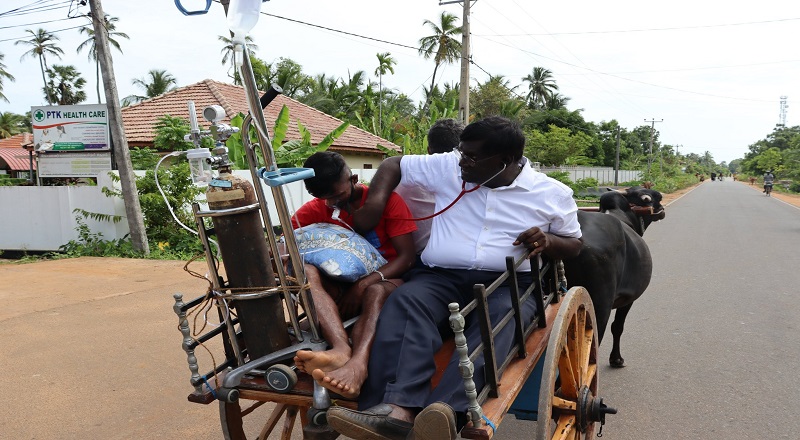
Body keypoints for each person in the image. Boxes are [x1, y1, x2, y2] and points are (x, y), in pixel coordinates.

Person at [326, 116, 583, 440]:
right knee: (406, 302)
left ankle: (446, 413)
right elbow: (393, 165)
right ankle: (396, 411)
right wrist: (375, 202)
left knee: (500, 319)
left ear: (504, 161)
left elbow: (574, 244)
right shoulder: (452, 165)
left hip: (507, 282)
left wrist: (549, 241)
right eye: (462, 152)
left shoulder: (552, 193)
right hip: (439, 276)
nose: (462, 161)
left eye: (472, 157)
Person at [290, 151, 417, 399]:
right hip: (341, 289)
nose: (333, 204)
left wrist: (362, 285)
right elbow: (282, 246)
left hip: (389, 280)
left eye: (338, 195)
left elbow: (407, 258)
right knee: (305, 270)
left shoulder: (387, 201)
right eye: (325, 198)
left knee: (374, 291)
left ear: (353, 178)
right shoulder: (316, 209)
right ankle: (340, 349)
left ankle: (358, 365)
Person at [394, 118, 464, 253]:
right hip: (452, 257)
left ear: (429, 150)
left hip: (413, 257)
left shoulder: (405, 180)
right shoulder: (473, 181)